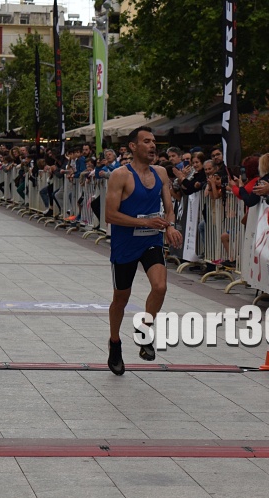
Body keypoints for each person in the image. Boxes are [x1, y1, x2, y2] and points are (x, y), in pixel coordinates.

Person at [104, 126, 182, 375]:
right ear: (133, 147)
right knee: (121, 298)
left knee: (160, 287)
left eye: (154, 142)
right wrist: (145, 222)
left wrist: (168, 226)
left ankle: (145, 331)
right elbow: (110, 215)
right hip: (125, 243)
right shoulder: (120, 175)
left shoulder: (160, 173)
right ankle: (115, 343)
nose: (152, 146)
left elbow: (169, 208)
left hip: (151, 241)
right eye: (146, 141)